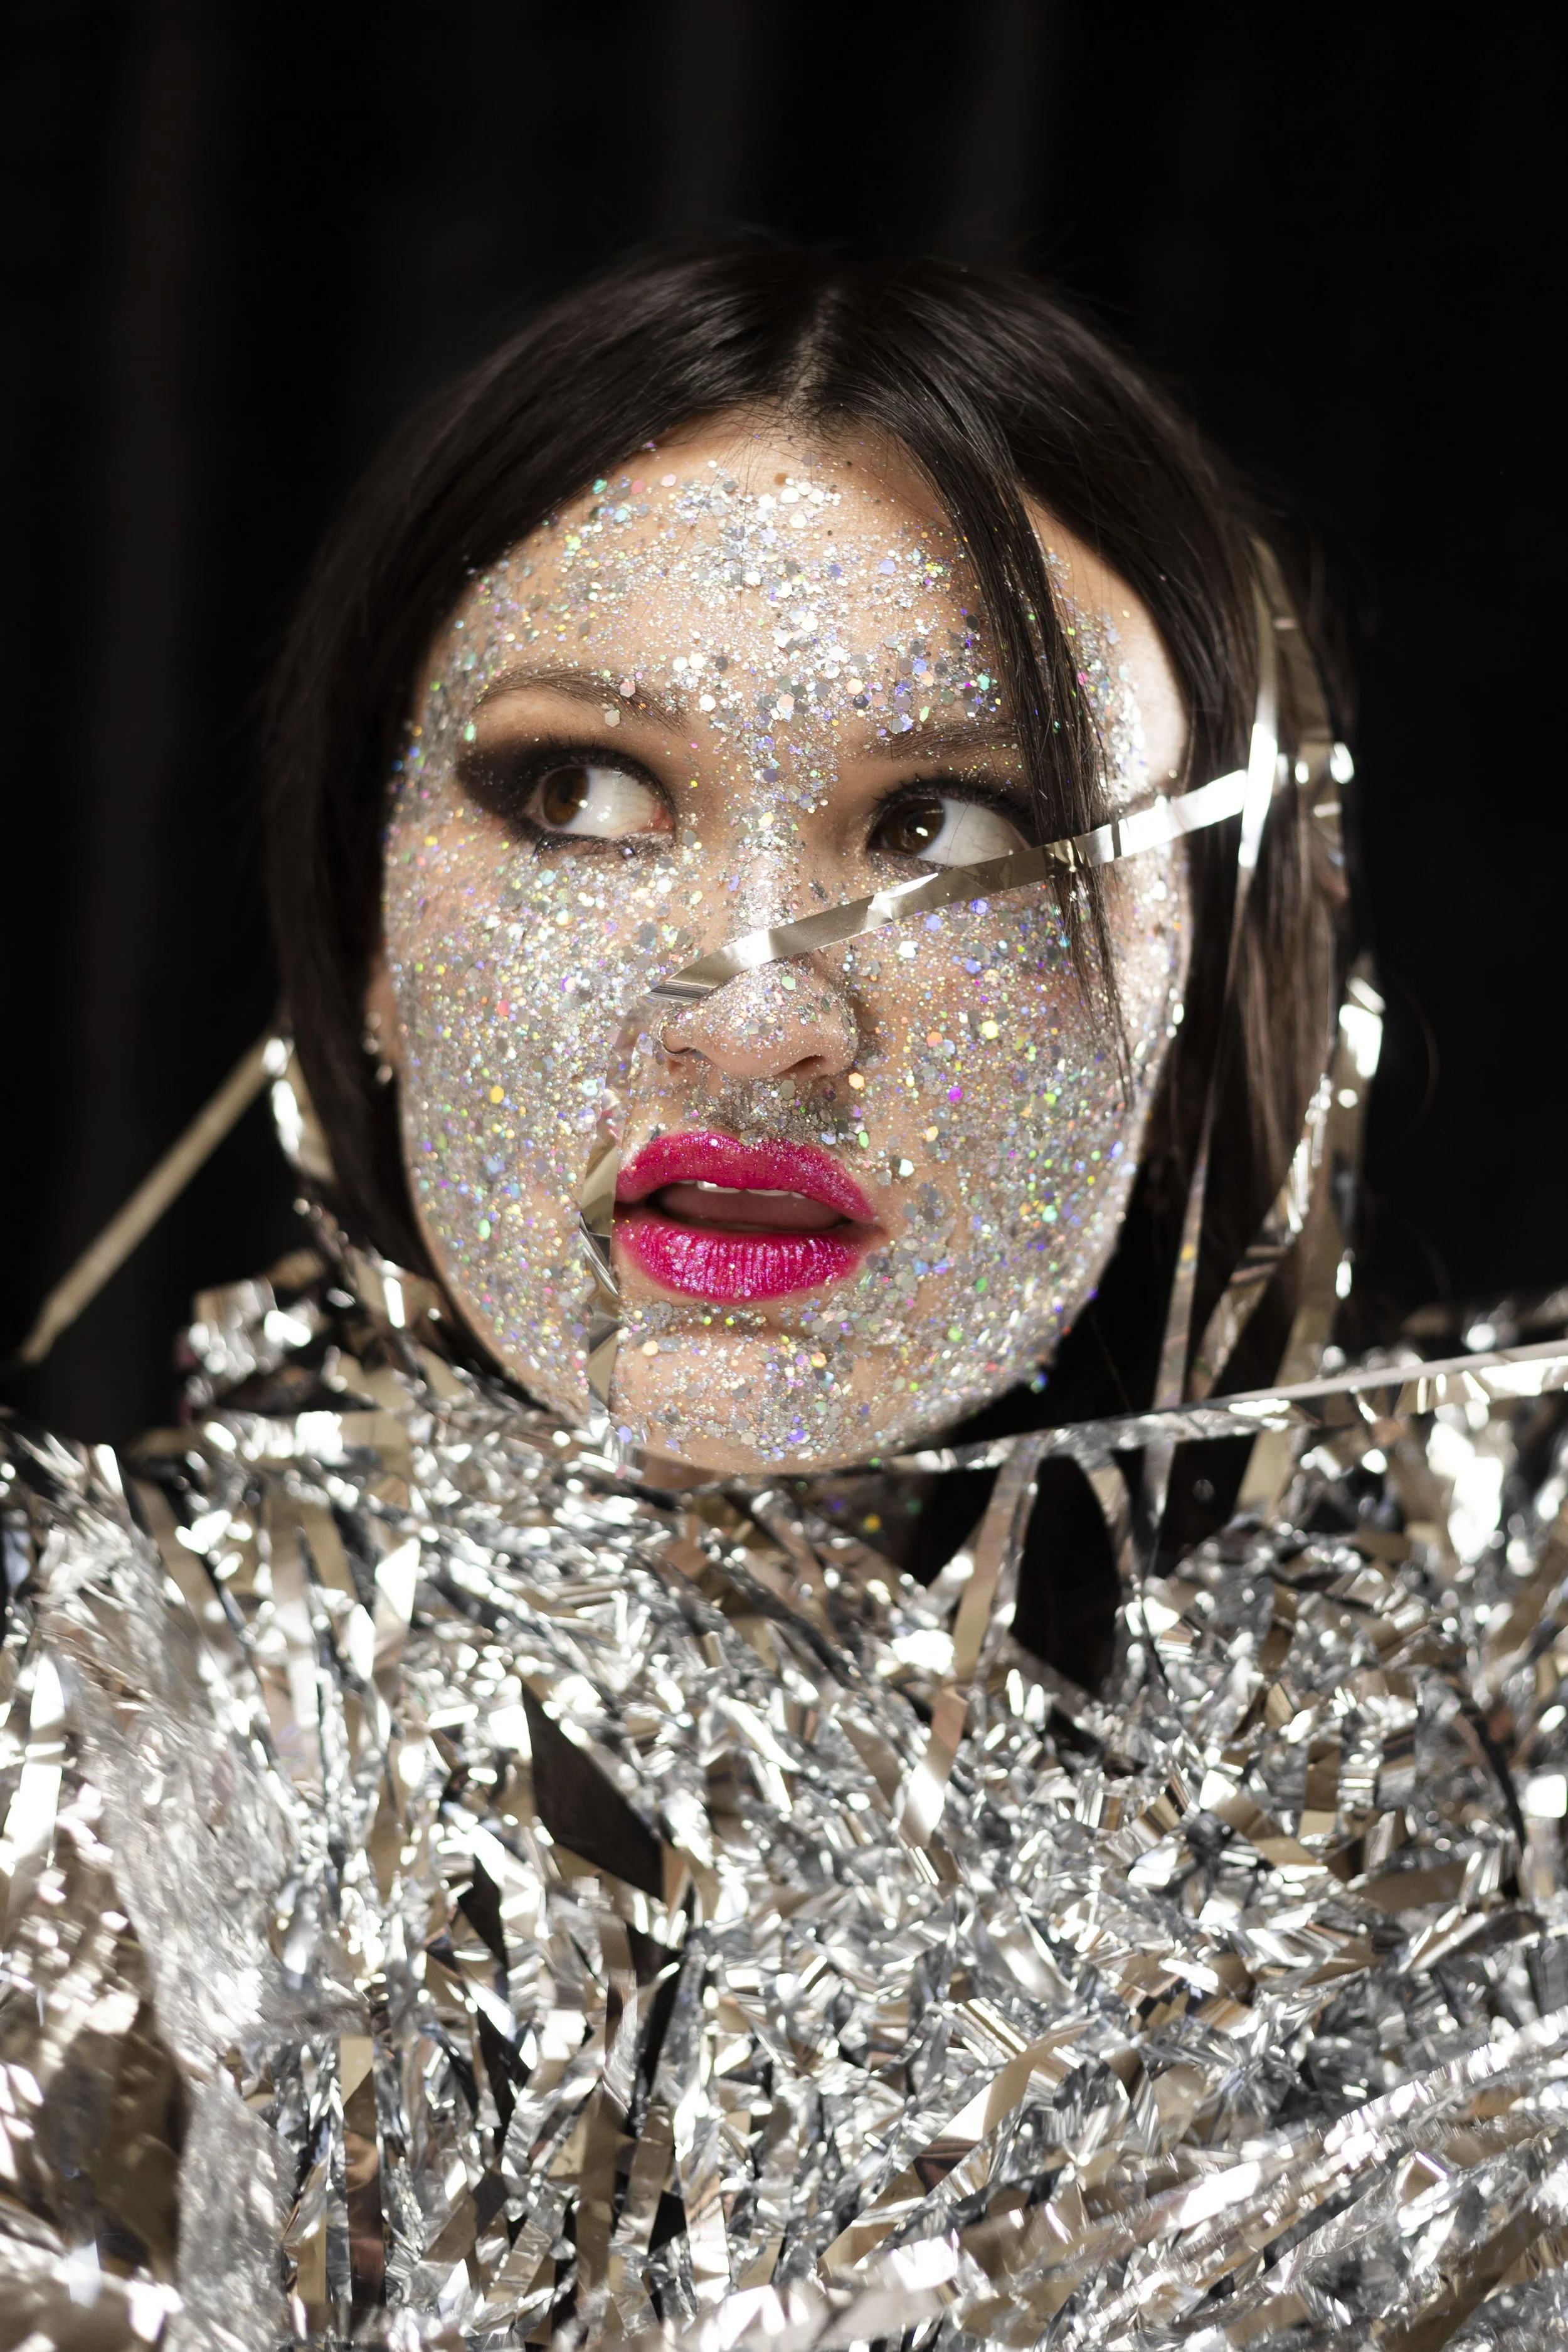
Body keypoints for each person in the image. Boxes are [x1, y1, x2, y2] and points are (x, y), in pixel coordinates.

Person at [4, 248, 1567, 2351]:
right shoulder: (78, 1738)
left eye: (950, 822)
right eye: (576, 792)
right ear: (372, 928)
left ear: (1199, 963)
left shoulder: (1492, 1773)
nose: (754, 1015)